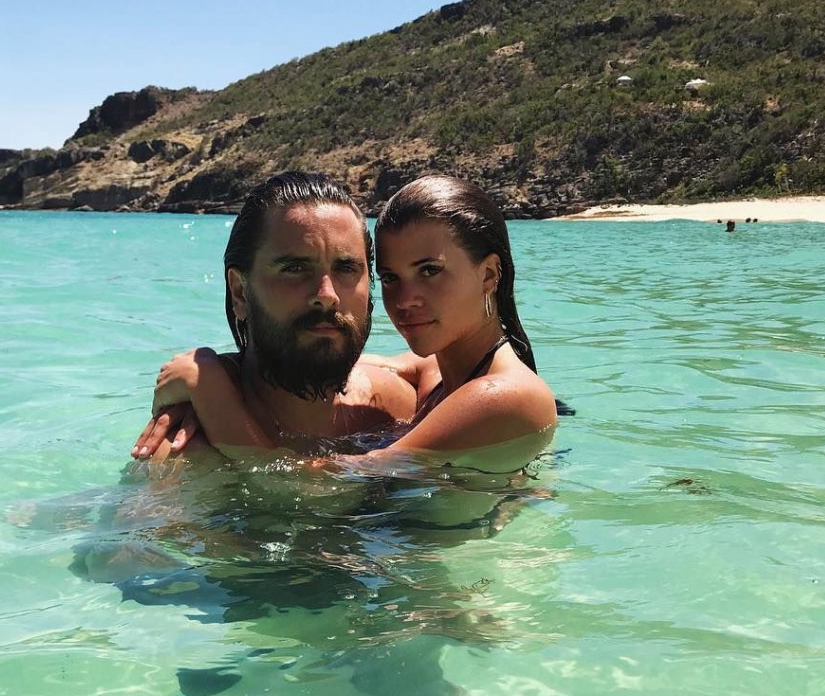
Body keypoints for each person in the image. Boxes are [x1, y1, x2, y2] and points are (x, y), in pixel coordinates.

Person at [137, 173, 556, 472]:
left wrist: (210, 387)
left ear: (489, 275)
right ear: (240, 292)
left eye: (430, 270)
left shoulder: (505, 394)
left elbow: (324, 486)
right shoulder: (436, 377)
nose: (405, 299)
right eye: (390, 278)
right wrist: (218, 365)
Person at [132, 172, 417, 460]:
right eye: (295, 269)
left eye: (346, 268)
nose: (327, 295)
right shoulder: (187, 454)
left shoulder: (399, 408)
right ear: (240, 293)